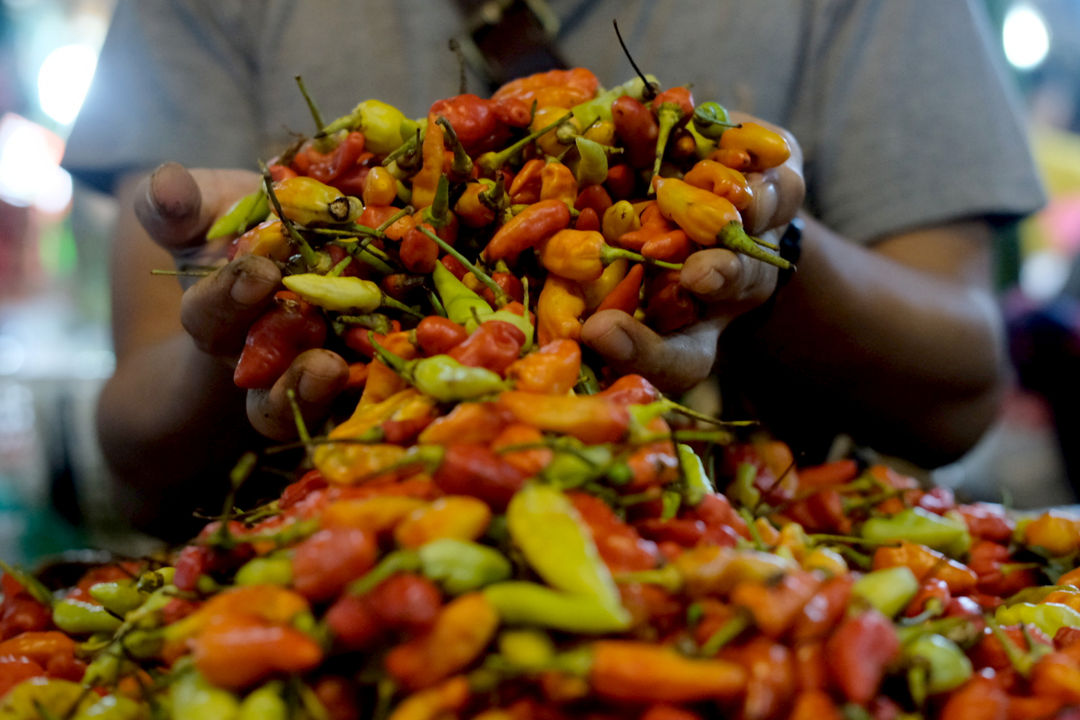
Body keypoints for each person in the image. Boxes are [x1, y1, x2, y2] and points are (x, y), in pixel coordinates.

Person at [62, 0, 1044, 539]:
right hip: (317, 572)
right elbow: (137, 448)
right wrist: (257, 313)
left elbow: (960, 395)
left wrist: (771, 251)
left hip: (742, 553)